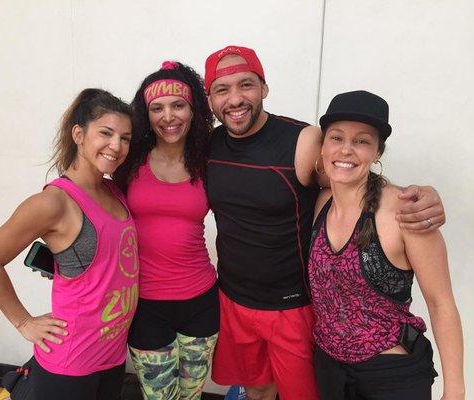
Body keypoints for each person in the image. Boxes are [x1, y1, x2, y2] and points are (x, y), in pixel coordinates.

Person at [204, 45, 446, 400]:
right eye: (222, 89)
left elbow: (350, 175)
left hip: (292, 306)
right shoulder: (208, 145)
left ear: (264, 88)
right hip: (234, 299)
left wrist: (420, 195)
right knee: (255, 390)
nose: (235, 98)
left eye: (247, 85)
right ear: (209, 98)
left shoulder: (302, 142)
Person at [0, 89, 138, 400]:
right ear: (78, 134)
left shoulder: (114, 191)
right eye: (106, 133)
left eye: (125, 138)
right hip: (71, 362)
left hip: (113, 354)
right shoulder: (53, 202)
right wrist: (23, 321)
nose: (116, 146)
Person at [308, 90, 464, 400]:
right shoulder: (320, 202)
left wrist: (455, 391)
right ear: (323, 146)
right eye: (336, 138)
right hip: (328, 368)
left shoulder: (407, 212)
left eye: (362, 141)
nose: (347, 150)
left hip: (390, 376)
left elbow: (441, 303)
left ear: (378, 151)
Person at [116, 61, 218, 400]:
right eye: (156, 108)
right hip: (145, 303)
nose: (168, 116)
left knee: (190, 395)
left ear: (193, 110)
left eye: (178, 105)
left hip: (201, 300)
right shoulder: (129, 159)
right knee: (160, 397)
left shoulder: (209, 160)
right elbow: (96, 205)